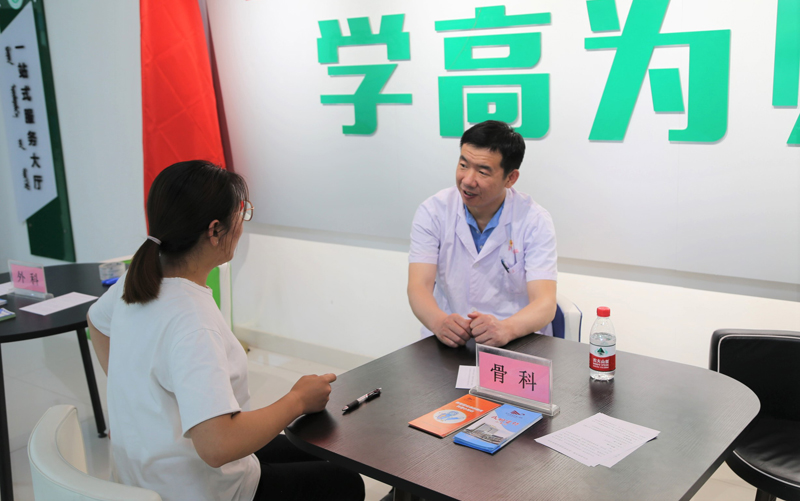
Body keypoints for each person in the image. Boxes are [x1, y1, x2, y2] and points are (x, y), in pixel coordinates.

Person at [87, 161, 364, 501]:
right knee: (347, 482)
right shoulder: (193, 322)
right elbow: (217, 446)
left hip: (144, 476)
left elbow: (96, 321)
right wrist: (297, 400)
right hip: (198, 490)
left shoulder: (138, 279)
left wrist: (137, 397)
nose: (242, 226)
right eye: (241, 215)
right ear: (215, 230)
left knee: (321, 452)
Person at [407, 120, 557, 348]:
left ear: (510, 178)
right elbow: (418, 286)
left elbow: (545, 303)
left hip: (516, 341)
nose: (467, 180)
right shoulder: (433, 211)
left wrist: (507, 329)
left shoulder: (534, 220)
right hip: (451, 341)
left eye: (483, 171)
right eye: (463, 165)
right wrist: (439, 322)